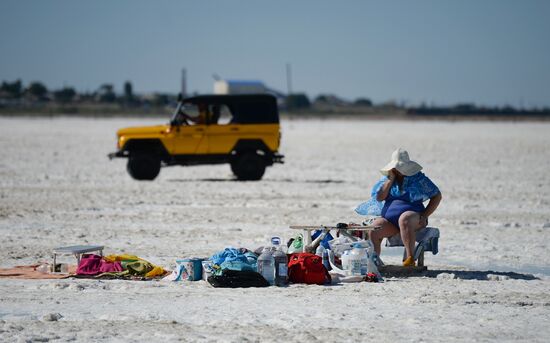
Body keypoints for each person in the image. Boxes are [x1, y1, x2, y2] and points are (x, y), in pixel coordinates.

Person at [355, 148, 442, 267]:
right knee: (375, 227)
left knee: (404, 218)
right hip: (390, 222)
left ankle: (410, 259)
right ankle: (374, 261)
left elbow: (436, 195)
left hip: (414, 219)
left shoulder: (418, 179)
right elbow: (379, 197)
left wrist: (425, 214)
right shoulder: (387, 180)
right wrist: (390, 180)